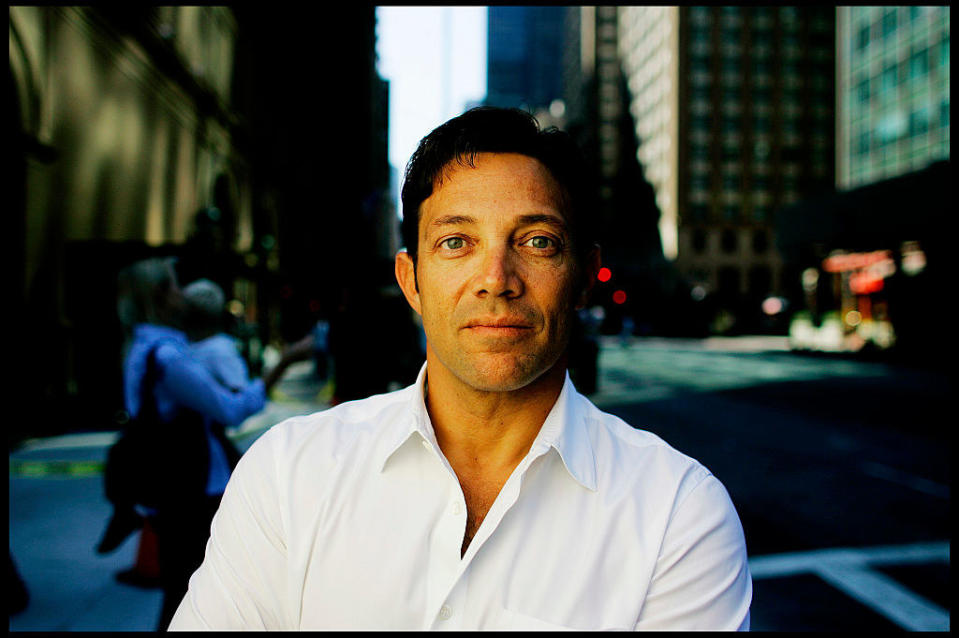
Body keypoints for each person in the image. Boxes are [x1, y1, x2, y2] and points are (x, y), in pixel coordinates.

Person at [168, 107, 752, 630]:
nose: (496, 277)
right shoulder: (288, 474)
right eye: (455, 242)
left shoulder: (679, 514)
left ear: (583, 277)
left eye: (538, 241)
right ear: (410, 280)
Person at [107, 257, 310, 631]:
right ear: (160, 296)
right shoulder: (168, 358)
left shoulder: (147, 348)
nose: (182, 291)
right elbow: (230, 409)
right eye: (173, 284)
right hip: (191, 491)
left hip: (174, 489)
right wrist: (282, 364)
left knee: (186, 591)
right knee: (193, 595)